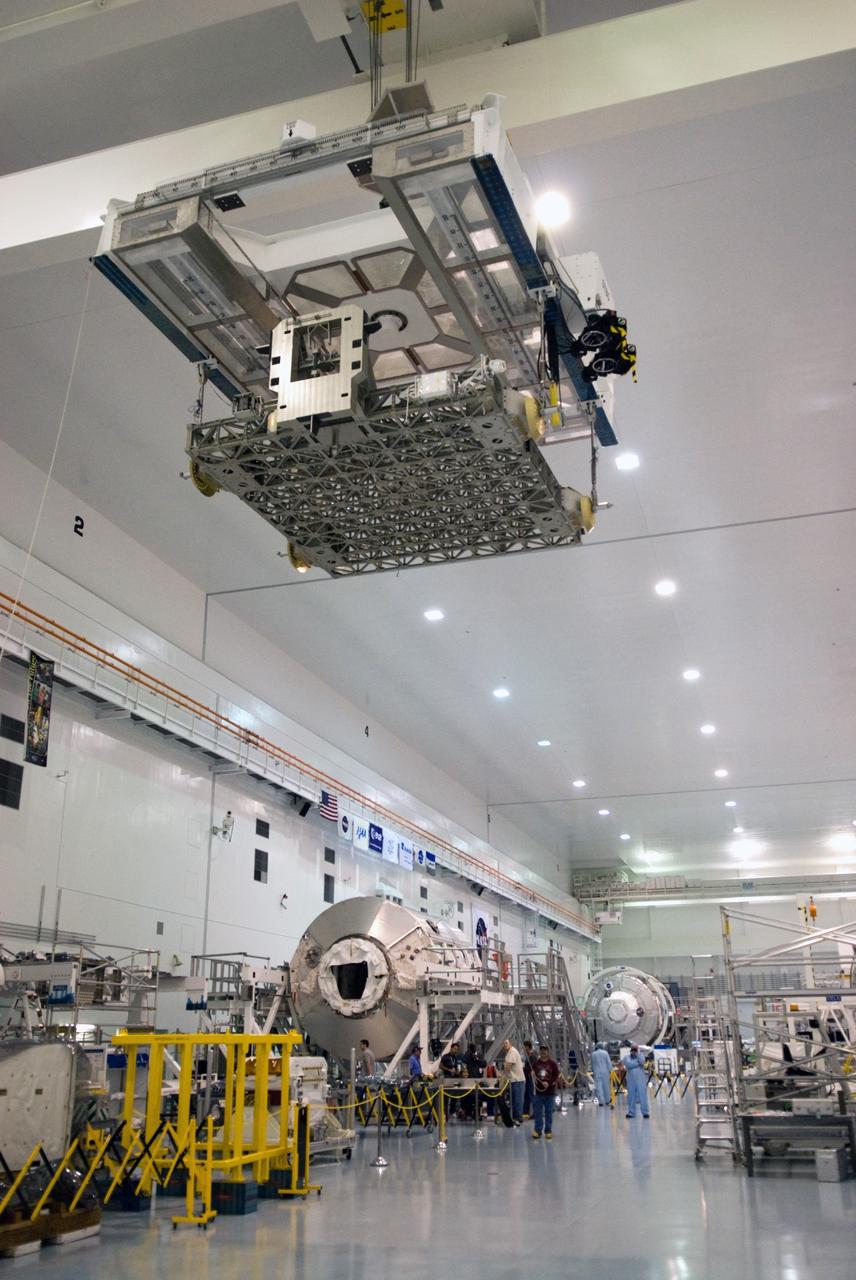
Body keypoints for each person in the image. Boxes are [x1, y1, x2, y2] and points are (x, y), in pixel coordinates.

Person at [531, 1045, 562, 1139]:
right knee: (538, 1112)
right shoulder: (536, 1064)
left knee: (549, 1112)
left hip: (549, 1093)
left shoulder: (552, 1064)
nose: (543, 1052)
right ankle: (537, 1130)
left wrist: (549, 1083)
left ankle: (548, 1130)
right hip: (538, 1093)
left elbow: (556, 1076)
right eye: (542, 1051)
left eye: (545, 1051)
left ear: (548, 1052)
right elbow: (532, 1075)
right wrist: (531, 1074)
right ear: (540, 1052)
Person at [500, 1038, 526, 1124]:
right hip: (513, 1080)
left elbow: (508, 1067)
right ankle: (515, 1117)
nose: (505, 1045)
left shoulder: (512, 1051)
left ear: (510, 1043)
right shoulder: (509, 1052)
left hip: (517, 1080)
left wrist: (501, 1074)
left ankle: (518, 1118)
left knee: (517, 1100)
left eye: (506, 1043)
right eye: (504, 1043)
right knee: (515, 1100)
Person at [625, 1044, 650, 1118]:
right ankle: (631, 1112)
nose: (634, 1051)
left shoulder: (640, 1056)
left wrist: (638, 1054)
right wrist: (637, 1064)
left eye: (635, 1050)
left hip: (640, 1080)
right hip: (631, 1080)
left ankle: (645, 1112)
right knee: (631, 1096)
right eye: (633, 1050)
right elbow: (629, 1064)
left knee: (642, 1095)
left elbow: (642, 1062)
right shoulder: (627, 1057)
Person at [591, 1041, 613, 1108]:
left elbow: (593, 1064)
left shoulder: (593, 1054)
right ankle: (607, 1101)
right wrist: (610, 1070)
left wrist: (593, 1071)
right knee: (606, 1086)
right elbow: (608, 1062)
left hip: (597, 1072)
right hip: (605, 1072)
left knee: (599, 1087)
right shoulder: (605, 1053)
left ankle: (601, 1102)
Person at [522, 1039, 536, 1118]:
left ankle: (535, 1112)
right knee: (527, 1095)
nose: (523, 1049)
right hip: (527, 1079)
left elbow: (531, 1068)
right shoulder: (528, 1057)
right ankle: (525, 1112)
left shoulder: (532, 1056)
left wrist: (523, 1068)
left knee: (531, 1095)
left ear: (527, 1047)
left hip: (530, 1079)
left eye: (524, 1047)